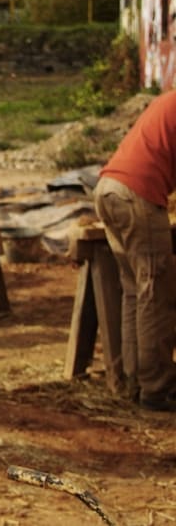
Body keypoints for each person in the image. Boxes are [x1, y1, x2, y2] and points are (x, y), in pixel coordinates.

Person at [94, 90, 176, 412]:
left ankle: (133, 380)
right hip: (136, 194)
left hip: (108, 190)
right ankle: (157, 387)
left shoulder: (168, 100)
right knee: (154, 291)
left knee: (134, 290)